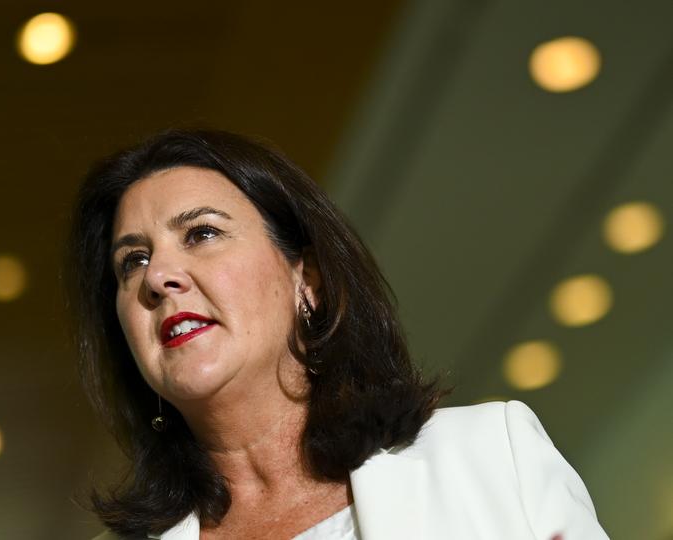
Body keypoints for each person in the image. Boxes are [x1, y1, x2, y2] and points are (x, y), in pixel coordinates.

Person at [66, 129, 608, 540]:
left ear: (308, 280)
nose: (158, 277)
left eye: (202, 233)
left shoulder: (490, 453)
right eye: (132, 261)